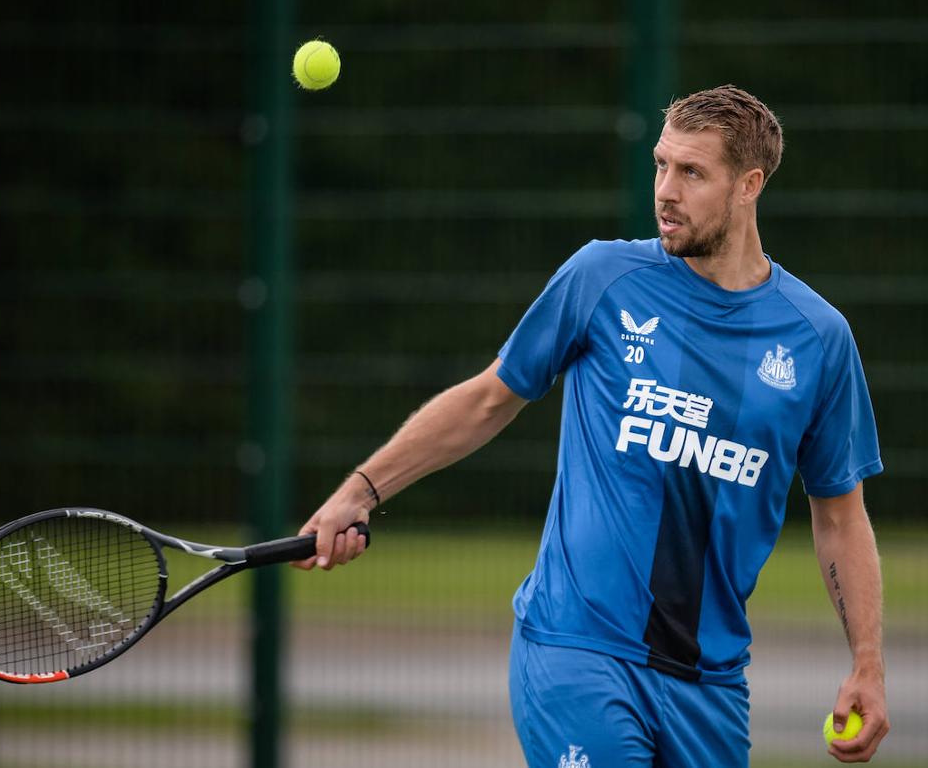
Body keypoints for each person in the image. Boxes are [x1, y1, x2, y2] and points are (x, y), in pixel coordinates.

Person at [293, 84, 889, 766]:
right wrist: (360, 491)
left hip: (711, 683)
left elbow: (840, 516)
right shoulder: (603, 277)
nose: (666, 189)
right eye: (661, 165)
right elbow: (488, 399)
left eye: (692, 172)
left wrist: (867, 665)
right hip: (577, 651)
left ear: (749, 184)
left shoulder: (818, 338)